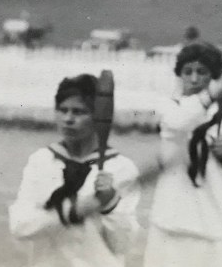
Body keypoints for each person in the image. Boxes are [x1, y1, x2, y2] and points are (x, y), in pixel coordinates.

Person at [9, 73, 141, 267]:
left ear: (98, 116)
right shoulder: (42, 161)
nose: (68, 119)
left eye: (79, 112)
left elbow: (122, 244)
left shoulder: (120, 168)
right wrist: (69, 212)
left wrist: (110, 204)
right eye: (63, 110)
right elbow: (20, 227)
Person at [143, 41, 222, 267]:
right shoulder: (169, 106)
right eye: (187, 72)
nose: (193, 79)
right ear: (179, 75)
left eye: (202, 72)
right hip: (170, 218)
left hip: (211, 220)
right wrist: (218, 89)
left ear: (213, 76)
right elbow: (181, 122)